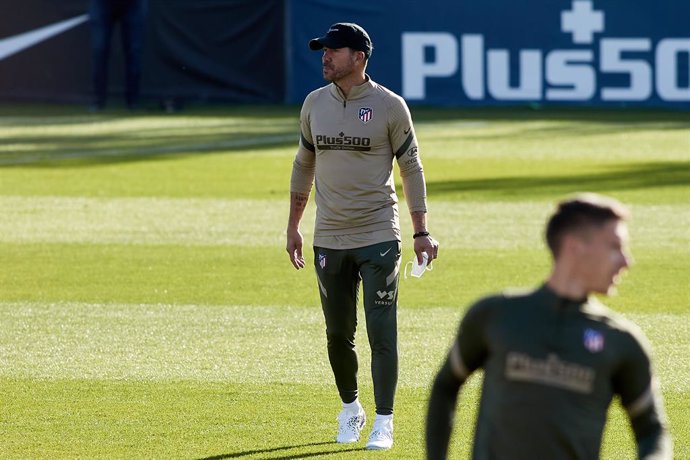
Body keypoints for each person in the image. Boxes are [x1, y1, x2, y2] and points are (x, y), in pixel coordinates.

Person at [425, 193, 673, 459]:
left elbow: (652, 431)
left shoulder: (621, 341)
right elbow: (445, 386)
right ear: (575, 246)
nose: (626, 261)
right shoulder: (495, 315)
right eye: (615, 246)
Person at [286, 22, 439, 450]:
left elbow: (411, 168)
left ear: (359, 57)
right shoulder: (314, 103)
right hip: (328, 237)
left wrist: (421, 231)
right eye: (323, 50)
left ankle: (384, 420)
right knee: (338, 334)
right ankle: (351, 409)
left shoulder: (390, 106)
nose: (325, 56)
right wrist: (293, 225)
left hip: (378, 235)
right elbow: (303, 163)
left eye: (333, 50)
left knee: (381, 331)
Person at [89, 0, 147, 111]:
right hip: (102, 4)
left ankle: (133, 101)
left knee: (134, 51)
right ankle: (98, 100)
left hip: (133, 4)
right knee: (99, 49)